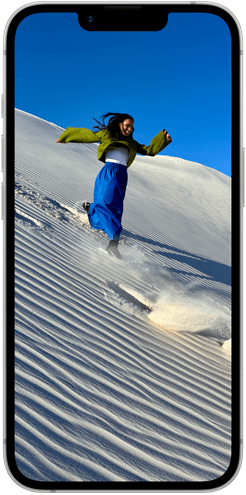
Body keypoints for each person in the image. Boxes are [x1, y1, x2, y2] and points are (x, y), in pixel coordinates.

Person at [56, 112, 172, 260]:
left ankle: (93, 212)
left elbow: (149, 150)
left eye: (132, 127)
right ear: (120, 124)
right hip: (109, 172)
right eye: (127, 125)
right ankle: (112, 241)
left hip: (122, 176)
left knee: (115, 206)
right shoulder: (108, 135)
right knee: (105, 203)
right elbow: (88, 135)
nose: (130, 129)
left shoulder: (132, 143)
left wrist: (162, 139)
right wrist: (65, 137)